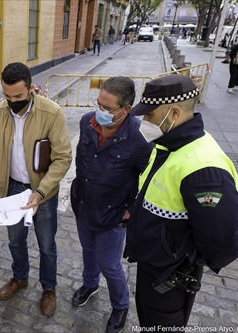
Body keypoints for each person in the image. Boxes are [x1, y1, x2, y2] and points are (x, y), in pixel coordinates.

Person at [124, 74, 238, 329]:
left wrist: (183, 260)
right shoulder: (170, 143)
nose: (144, 121)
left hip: (171, 275)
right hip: (154, 263)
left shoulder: (203, 168)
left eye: (150, 115)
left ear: (175, 113)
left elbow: (222, 239)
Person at [0, 62, 72, 317]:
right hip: (12, 189)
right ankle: (20, 278)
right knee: (15, 242)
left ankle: (49, 288)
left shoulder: (52, 113)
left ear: (31, 89)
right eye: (7, 96)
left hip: (43, 192)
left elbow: (63, 158)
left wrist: (40, 192)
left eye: (18, 96)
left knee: (47, 245)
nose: (12, 101)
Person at [70, 77, 153, 333]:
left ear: (126, 109)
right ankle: (90, 284)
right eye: (99, 104)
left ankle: (120, 305)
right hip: (84, 204)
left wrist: (131, 211)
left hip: (113, 214)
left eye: (108, 108)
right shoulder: (87, 122)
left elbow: (151, 179)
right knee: (88, 251)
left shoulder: (140, 138)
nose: (100, 112)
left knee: (109, 263)